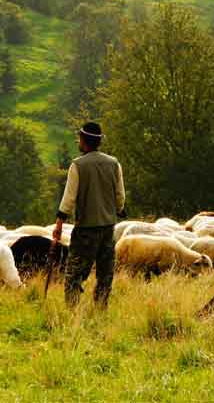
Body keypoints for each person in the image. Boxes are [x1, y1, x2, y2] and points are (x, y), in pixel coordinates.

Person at [53, 122, 125, 307]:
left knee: (74, 274)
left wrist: (59, 224)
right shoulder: (114, 164)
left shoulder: (78, 165)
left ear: (84, 141)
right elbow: (120, 196)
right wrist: (117, 210)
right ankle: (100, 309)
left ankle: (72, 312)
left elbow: (68, 199)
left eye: (79, 138)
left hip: (86, 229)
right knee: (105, 274)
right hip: (108, 228)